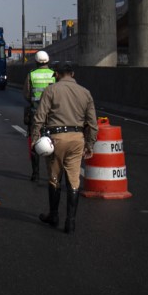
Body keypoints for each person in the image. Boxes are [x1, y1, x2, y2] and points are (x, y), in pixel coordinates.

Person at [29, 61, 97, 234]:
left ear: (57, 74)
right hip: (77, 139)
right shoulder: (85, 92)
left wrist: (35, 139)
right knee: (73, 180)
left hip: (56, 138)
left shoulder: (51, 90)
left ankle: (54, 216)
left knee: (54, 178)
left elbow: (39, 117)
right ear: (72, 74)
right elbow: (92, 124)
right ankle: (71, 222)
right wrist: (89, 144)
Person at [23, 51, 55, 181]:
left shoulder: (32, 75)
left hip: (35, 113)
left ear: (36, 61)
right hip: (52, 115)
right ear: (48, 61)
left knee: (34, 142)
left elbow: (26, 94)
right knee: (53, 142)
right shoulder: (54, 74)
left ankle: (35, 174)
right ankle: (53, 174)